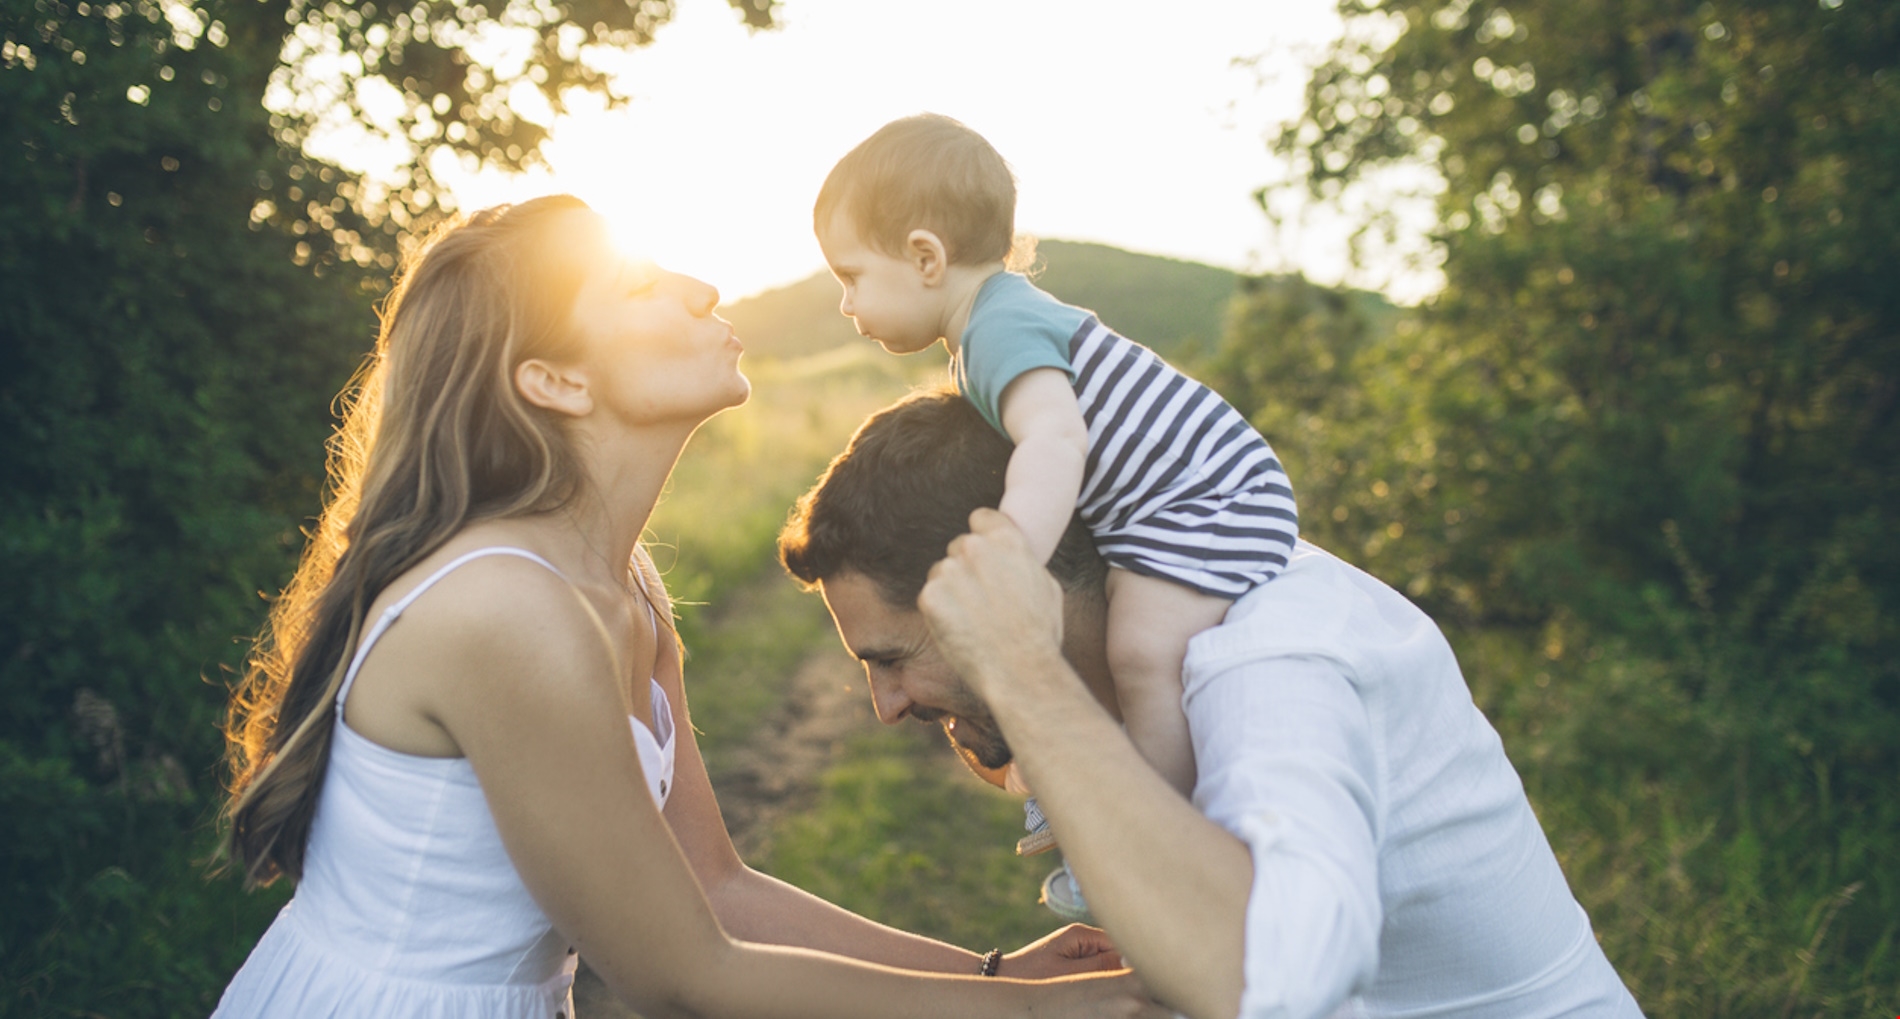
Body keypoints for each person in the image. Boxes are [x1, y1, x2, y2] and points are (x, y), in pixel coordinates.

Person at [212, 196, 1166, 1019]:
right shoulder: (506, 608)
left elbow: (715, 889)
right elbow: (680, 976)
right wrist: (1028, 1012)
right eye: (638, 288)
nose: (702, 290)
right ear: (555, 380)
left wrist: (993, 972)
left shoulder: (624, 586)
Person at [778, 389, 1644, 1019]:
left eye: (891, 659)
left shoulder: (1271, 653)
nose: (884, 706)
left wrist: (1020, 674)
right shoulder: (1143, 644)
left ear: (1013, 593)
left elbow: (1267, 982)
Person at [812, 114, 1299, 833]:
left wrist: (1012, 551)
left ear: (924, 257)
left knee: (1140, 651)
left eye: (851, 276)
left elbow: (1054, 436)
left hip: (1209, 499)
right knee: (1130, 649)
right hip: (1190, 495)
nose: (847, 304)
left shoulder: (997, 329)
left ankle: (1151, 830)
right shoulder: (985, 333)